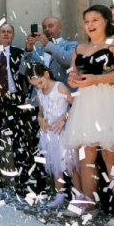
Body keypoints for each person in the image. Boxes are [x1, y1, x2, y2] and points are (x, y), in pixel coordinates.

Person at [63, 5, 114, 226]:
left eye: (95, 20)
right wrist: (74, 80)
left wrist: (96, 80)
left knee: (111, 154)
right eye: (87, 21)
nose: (90, 25)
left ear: (106, 21)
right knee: (85, 154)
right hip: (86, 102)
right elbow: (72, 74)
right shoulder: (79, 48)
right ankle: (88, 201)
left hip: (110, 100)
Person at [0, 24, 30, 189]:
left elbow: (26, 74)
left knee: (18, 140)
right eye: (2, 31)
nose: (5, 34)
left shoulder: (19, 53)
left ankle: (21, 182)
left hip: (14, 101)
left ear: (12, 35)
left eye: (9, 32)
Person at [28, 63, 76, 209]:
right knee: (56, 165)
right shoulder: (40, 92)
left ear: (47, 74)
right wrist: (40, 119)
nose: (40, 87)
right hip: (49, 133)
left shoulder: (59, 87)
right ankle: (59, 195)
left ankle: (79, 195)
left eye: (40, 83)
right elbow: (41, 111)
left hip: (62, 131)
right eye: (36, 86)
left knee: (71, 165)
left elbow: (76, 105)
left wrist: (64, 117)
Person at [25, 16, 78, 89]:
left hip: (62, 94)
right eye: (44, 27)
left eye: (51, 26)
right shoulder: (38, 51)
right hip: (40, 96)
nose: (47, 29)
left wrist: (48, 44)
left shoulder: (71, 45)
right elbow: (24, 70)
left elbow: (69, 61)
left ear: (60, 28)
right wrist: (28, 50)